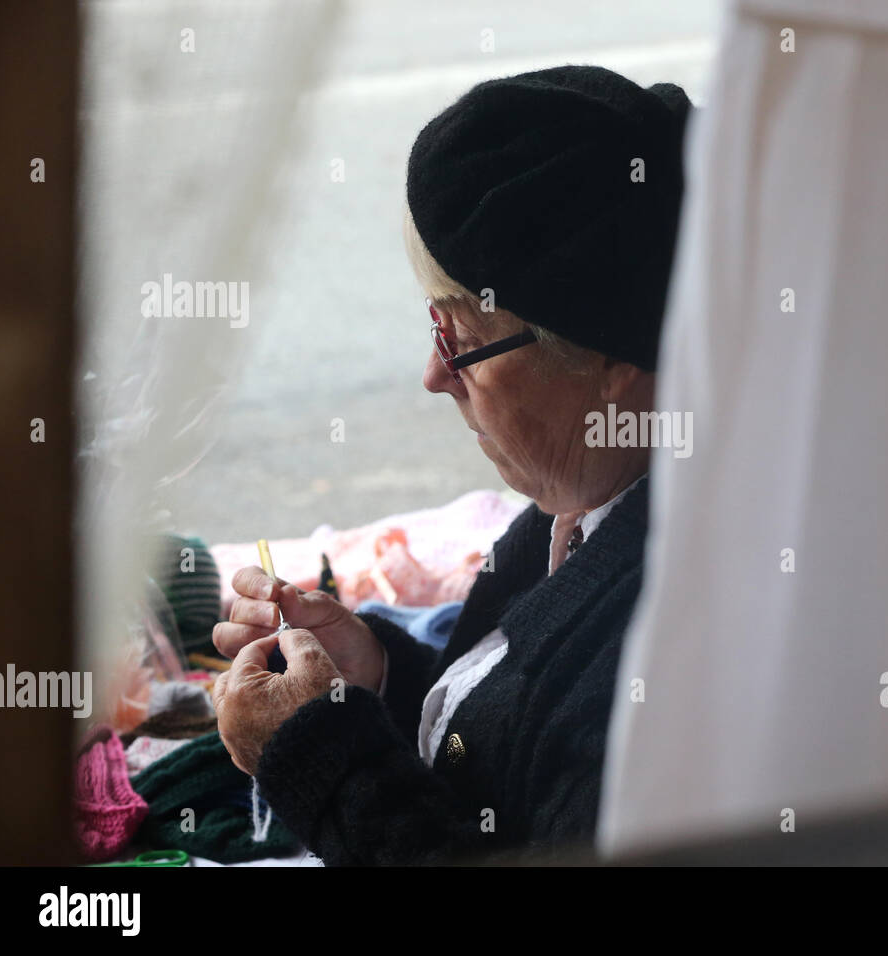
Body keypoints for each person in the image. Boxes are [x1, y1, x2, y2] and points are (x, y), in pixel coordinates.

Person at [209, 65, 691, 864]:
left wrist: (321, 756)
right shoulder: (592, 501)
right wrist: (381, 682)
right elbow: (515, 735)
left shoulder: (667, 669)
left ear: (611, 361)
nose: (434, 377)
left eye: (459, 342)